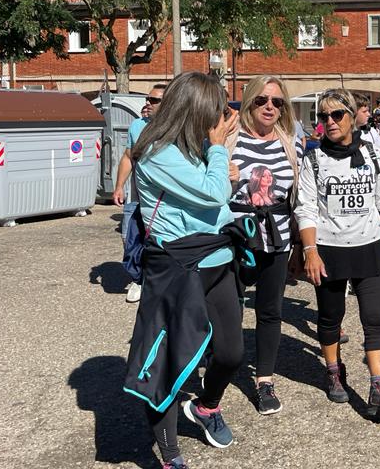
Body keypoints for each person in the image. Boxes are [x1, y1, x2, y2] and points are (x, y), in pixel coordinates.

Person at [126, 72, 241, 469]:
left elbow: (218, 203)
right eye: (214, 112)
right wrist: (219, 148)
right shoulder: (157, 150)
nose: (220, 120)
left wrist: (217, 159)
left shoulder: (194, 149)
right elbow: (213, 192)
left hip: (217, 262)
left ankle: (207, 407)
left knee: (230, 354)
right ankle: (169, 454)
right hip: (176, 267)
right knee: (169, 363)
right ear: (193, 111)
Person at [295, 89, 380, 416]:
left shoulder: (372, 152)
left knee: (375, 318)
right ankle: (333, 372)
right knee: (331, 318)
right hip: (329, 250)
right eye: (322, 117)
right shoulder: (314, 159)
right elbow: (306, 209)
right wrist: (310, 251)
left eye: (336, 115)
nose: (328, 122)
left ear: (352, 116)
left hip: (370, 246)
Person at [225, 75, 303, 416]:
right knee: (229, 310)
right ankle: (223, 366)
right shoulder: (228, 140)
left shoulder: (291, 144)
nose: (269, 107)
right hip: (235, 236)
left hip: (278, 237)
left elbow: (298, 197)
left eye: (276, 102)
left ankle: (264, 379)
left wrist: (301, 243)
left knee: (270, 311)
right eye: (262, 100)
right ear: (248, 102)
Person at [113, 83, 166, 303]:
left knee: (158, 241)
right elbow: (128, 157)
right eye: (148, 99)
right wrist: (119, 186)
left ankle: (155, 281)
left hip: (163, 200)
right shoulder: (137, 126)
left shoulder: (176, 128)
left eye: (154, 100)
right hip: (137, 196)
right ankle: (138, 278)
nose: (148, 103)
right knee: (129, 237)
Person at [355, 94, 380, 158]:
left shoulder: (371, 131)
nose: (369, 114)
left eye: (368, 110)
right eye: (364, 111)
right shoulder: (344, 134)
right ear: (353, 112)